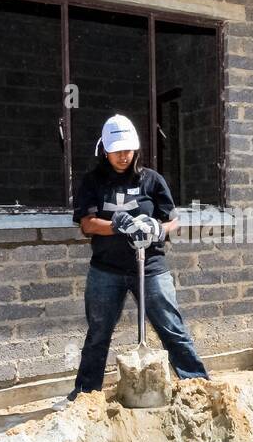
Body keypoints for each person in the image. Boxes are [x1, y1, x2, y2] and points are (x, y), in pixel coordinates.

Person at [68, 114, 209, 400]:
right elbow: (86, 224)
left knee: (172, 328)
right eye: (117, 150)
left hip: (151, 267)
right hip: (106, 270)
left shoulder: (152, 180)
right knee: (98, 333)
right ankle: (84, 395)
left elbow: (174, 221)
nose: (123, 155)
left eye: (128, 149)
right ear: (104, 150)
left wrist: (158, 228)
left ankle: (198, 387)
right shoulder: (93, 182)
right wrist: (117, 225)